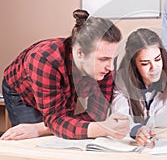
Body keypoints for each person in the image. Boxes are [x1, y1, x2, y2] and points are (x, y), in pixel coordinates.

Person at [1, 9, 130, 140]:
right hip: (22, 91)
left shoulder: (105, 68)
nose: (111, 67)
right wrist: (104, 128)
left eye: (113, 59)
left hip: (64, 87)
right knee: (34, 141)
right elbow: (58, 121)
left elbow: (95, 115)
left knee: (62, 134)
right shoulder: (45, 59)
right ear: (80, 53)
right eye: (103, 59)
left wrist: (42, 127)